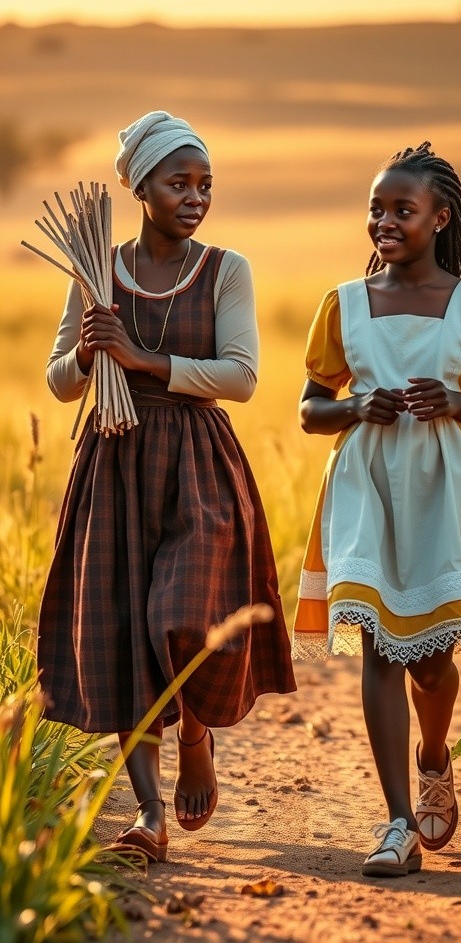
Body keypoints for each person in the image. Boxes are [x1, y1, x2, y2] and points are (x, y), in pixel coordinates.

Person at [38, 110, 296, 862]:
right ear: (141, 187)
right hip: (113, 460)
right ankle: (149, 815)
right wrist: (87, 356)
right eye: (178, 182)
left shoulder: (226, 270)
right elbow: (58, 383)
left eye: (205, 183)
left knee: (183, 616)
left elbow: (242, 377)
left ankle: (195, 732)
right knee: (122, 631)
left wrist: (143, 358)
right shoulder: (95, 271)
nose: (196, 196)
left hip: (197, 465)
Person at [292, 142, 461, 877]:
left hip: (442, 493)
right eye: (375, 209)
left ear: (440, 217)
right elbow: (310, 409)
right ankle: (398, 825)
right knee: (377, 646)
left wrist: (458, 402)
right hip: (364, 488)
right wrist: (356, 405)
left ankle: (433, 754)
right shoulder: (344, 305)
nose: (384, 222)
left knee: (429, 664)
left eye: (402, 210)